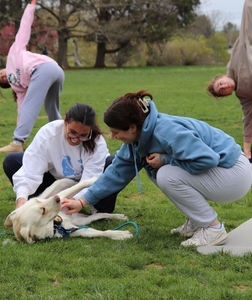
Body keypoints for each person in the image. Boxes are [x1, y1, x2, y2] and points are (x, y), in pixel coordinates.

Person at [61, 90, 251, 247]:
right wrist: (82, 201)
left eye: (116, 132)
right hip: (222, 172)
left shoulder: (166, 131)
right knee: (159, 172)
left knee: (166, 174)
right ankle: (197, 221)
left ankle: (213, 229)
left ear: (133, 128)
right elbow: (116, 172)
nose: (113, 137)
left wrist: (167, 159)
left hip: (234, 173)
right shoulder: (137, 140)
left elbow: (208, 160)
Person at [3, 102, 118, 212]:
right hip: (57, 182)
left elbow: (90, 180)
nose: (76, 139)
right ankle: (39, 202)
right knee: (12, 161)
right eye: (72, 132)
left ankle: (96, 206)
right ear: (65, 121)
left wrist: (76, 201)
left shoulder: (97, 143)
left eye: (83, 135)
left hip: (88, 185)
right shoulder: (48, 134)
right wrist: (21, 198)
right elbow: (30, 171)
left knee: (114, 163)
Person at [0, 0, 64, 154]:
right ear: (7, 85)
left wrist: (31, 5)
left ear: (3, 69)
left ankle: (17, 142)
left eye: (1, 74)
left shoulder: (14, 53)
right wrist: (20, 125)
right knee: (51, 108)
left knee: (38, 106)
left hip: (47, 68)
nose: (3, 77)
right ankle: (64, 138)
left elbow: (24, 29)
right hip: (51, 72)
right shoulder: (18, 87)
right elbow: (22, 110)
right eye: (2, 81)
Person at [206, 0, 252, 161]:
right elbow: (248, 120)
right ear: (228, 94)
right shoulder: (244, 94)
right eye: (222, 90)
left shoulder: (236, 58)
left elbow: (245, 31)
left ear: (222, 77)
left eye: (221, 84)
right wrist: (246, 150)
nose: (224, 86)